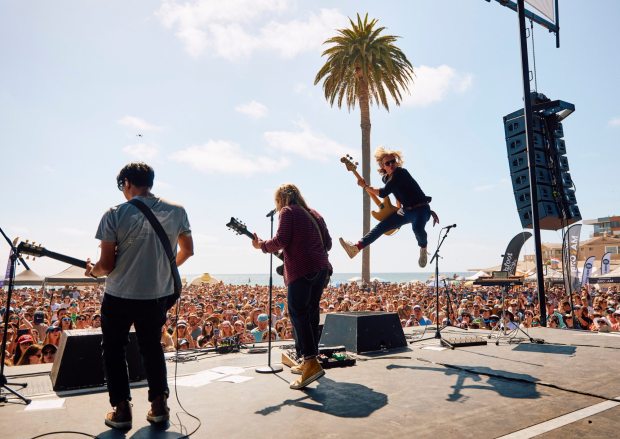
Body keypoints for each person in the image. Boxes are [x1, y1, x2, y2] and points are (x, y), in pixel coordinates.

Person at [85, 162, 194, 430]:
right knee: (151, 347)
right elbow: (188, 250)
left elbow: (106, 265)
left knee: (113, 348)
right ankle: (159, 406)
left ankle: (122, 410)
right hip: (156, 294)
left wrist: (92, 272)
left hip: (119, 293)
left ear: (126, 184)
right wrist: (162, 269)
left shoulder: (114, 213)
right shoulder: (177, 210)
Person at [252, 183, 332, 390]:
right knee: (311, 313)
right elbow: (328, 244)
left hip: (302, 269)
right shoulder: (314, 214)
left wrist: (261, 245)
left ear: (281, 199)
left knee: (297, 313)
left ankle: (311, 362)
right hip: (321, 268)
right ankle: (309, 361)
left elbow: (281, 240)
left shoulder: (288, 211)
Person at [339, 147, 439, 268]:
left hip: (421, 210)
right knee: (382, 227)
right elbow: (396, 192)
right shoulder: (386, 178)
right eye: (388, 163)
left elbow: (384, 193)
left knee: (417, 229)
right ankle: (356, 248)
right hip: (406, 211)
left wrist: (365, 187)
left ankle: (423, 248)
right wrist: (399, 207)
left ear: (397, 162)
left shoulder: (401, 173)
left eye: (393, 161)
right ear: (383, 166)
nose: (391, 164)